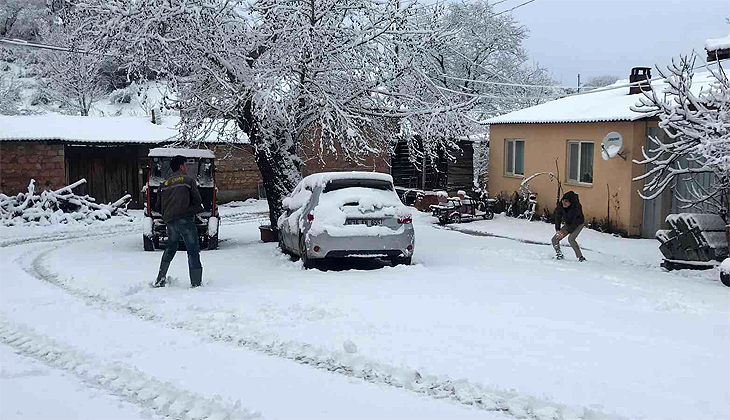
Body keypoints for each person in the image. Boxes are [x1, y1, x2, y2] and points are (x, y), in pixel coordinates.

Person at [153, 155, 204, 288]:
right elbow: (198, 202)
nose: (186, 168)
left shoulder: (164, 185)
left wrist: (168, 215)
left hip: (170, 222)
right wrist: (189, 211)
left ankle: (160, 278)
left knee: (171, 247)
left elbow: (157, 207)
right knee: (192, 249)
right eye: (185, 165)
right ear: (181, 167)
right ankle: (196, 283)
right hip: (185, 220)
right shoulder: (188, 181)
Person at [552, 191, 586, 261]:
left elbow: (575, 222)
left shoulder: (577, 207)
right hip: (568, 223)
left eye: (566, 202)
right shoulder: (561, 205)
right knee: (555, 239)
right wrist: (558, 230)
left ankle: (580, 257)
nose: (564, 203)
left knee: (571, 239)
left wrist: (566, 232)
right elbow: (558, 217)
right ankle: (559, 254)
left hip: (578, 224)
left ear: (571, 202)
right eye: (563, 201)